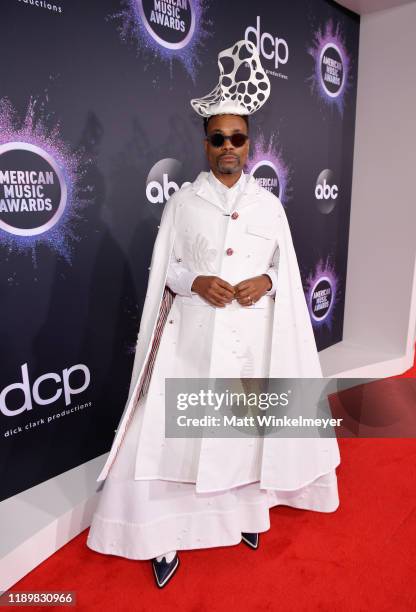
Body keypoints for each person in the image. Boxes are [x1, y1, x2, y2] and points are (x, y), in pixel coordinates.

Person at [87, 39, 341, 589]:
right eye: (218, 138)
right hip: (191, 343)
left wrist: (265, 281)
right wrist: (195, 280)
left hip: (250, 346)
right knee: (173, 442)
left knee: (240, 440)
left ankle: (242, 518)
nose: (229, 147)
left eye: (238, 138)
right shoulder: (183, 203)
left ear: (250, 143)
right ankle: (160, 536)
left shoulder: (268, 206)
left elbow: (285, 272)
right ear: (205, 144)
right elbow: (167, 272)